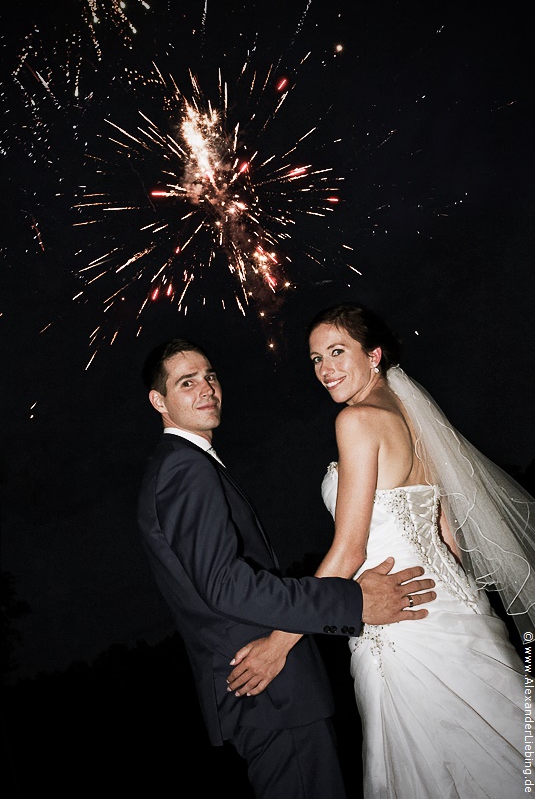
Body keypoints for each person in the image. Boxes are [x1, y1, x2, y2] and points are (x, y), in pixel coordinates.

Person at [227, 303, 535, 799]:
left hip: (402, 622)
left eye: (337, 351)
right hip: (455, 607)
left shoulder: (357, 421)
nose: (325, 369)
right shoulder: (412, 416)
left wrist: (279, 643)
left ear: (373, 355)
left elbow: (349, 552)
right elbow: (447, 535)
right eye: (314, 359)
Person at [136, 337, 436, 799]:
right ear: (159, 401)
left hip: (263, 691)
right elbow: (227, 587)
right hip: (266, 688)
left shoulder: (184, 466)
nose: (207, 389)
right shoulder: (183, 468)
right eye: (187, 383)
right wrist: (354, 601)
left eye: (210, 376)